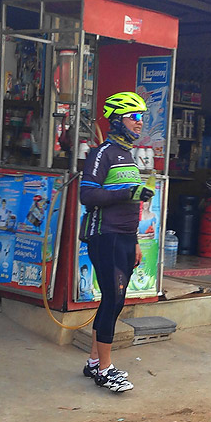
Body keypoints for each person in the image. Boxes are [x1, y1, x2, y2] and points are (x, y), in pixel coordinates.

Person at [79, 91, 151, 392]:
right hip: (105, 235)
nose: (139, 122)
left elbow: (131, 206)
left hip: (124, 237)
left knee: (113, 301)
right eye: (133, 116)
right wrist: (127, 193)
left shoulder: (128, 156)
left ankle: (94, 362)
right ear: (117, 120)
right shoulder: (102, 154)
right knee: (114, 299)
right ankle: (105, 370)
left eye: (142, 117)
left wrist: (135, 242)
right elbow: (87, 195)